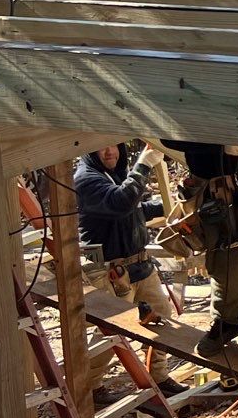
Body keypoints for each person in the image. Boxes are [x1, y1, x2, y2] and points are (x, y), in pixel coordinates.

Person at [72, 141, 174, 394]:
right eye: (102, 146)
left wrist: (173, 203)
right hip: (110, 271)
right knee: (109, 334)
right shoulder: (86, 179)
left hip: (139, 265)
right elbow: (120, 203)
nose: (110, 151)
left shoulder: (115, 175)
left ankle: (158, 379)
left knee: (162, 318)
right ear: (89, 150)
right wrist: (145, 163)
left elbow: (135, 210)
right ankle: (90, 390)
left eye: (114, 145)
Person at [169, 143, 238, 373]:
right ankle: (227, 322)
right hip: (217, 191)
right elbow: (169, 135)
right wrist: (215, 143)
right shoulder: (187, 105)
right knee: (229, 268)